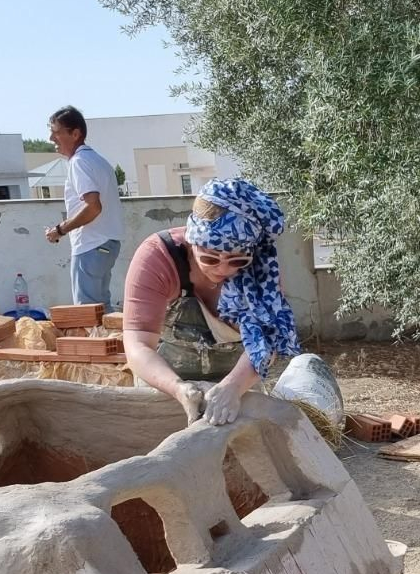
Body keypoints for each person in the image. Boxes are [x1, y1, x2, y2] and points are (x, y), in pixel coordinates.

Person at [121, 177, 301, 425]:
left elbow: (265, 342)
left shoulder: (262, 270)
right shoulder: (158, 258)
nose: (223, 270)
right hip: (164, 383)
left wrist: (232, 387)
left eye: (237, 261)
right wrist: (178, 389)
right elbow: (137, 345)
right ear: (193, 242)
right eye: (211, 259)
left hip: (235, 387)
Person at [42, 106, 125, 307]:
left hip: (91, 245)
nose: (51, 138)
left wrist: (60, 230)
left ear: (75, 133)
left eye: (56, 132)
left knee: (88, 314)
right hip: (105, 243)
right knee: (102, 311)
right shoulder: (97, 160)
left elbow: (93, 207)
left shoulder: (79, 162)